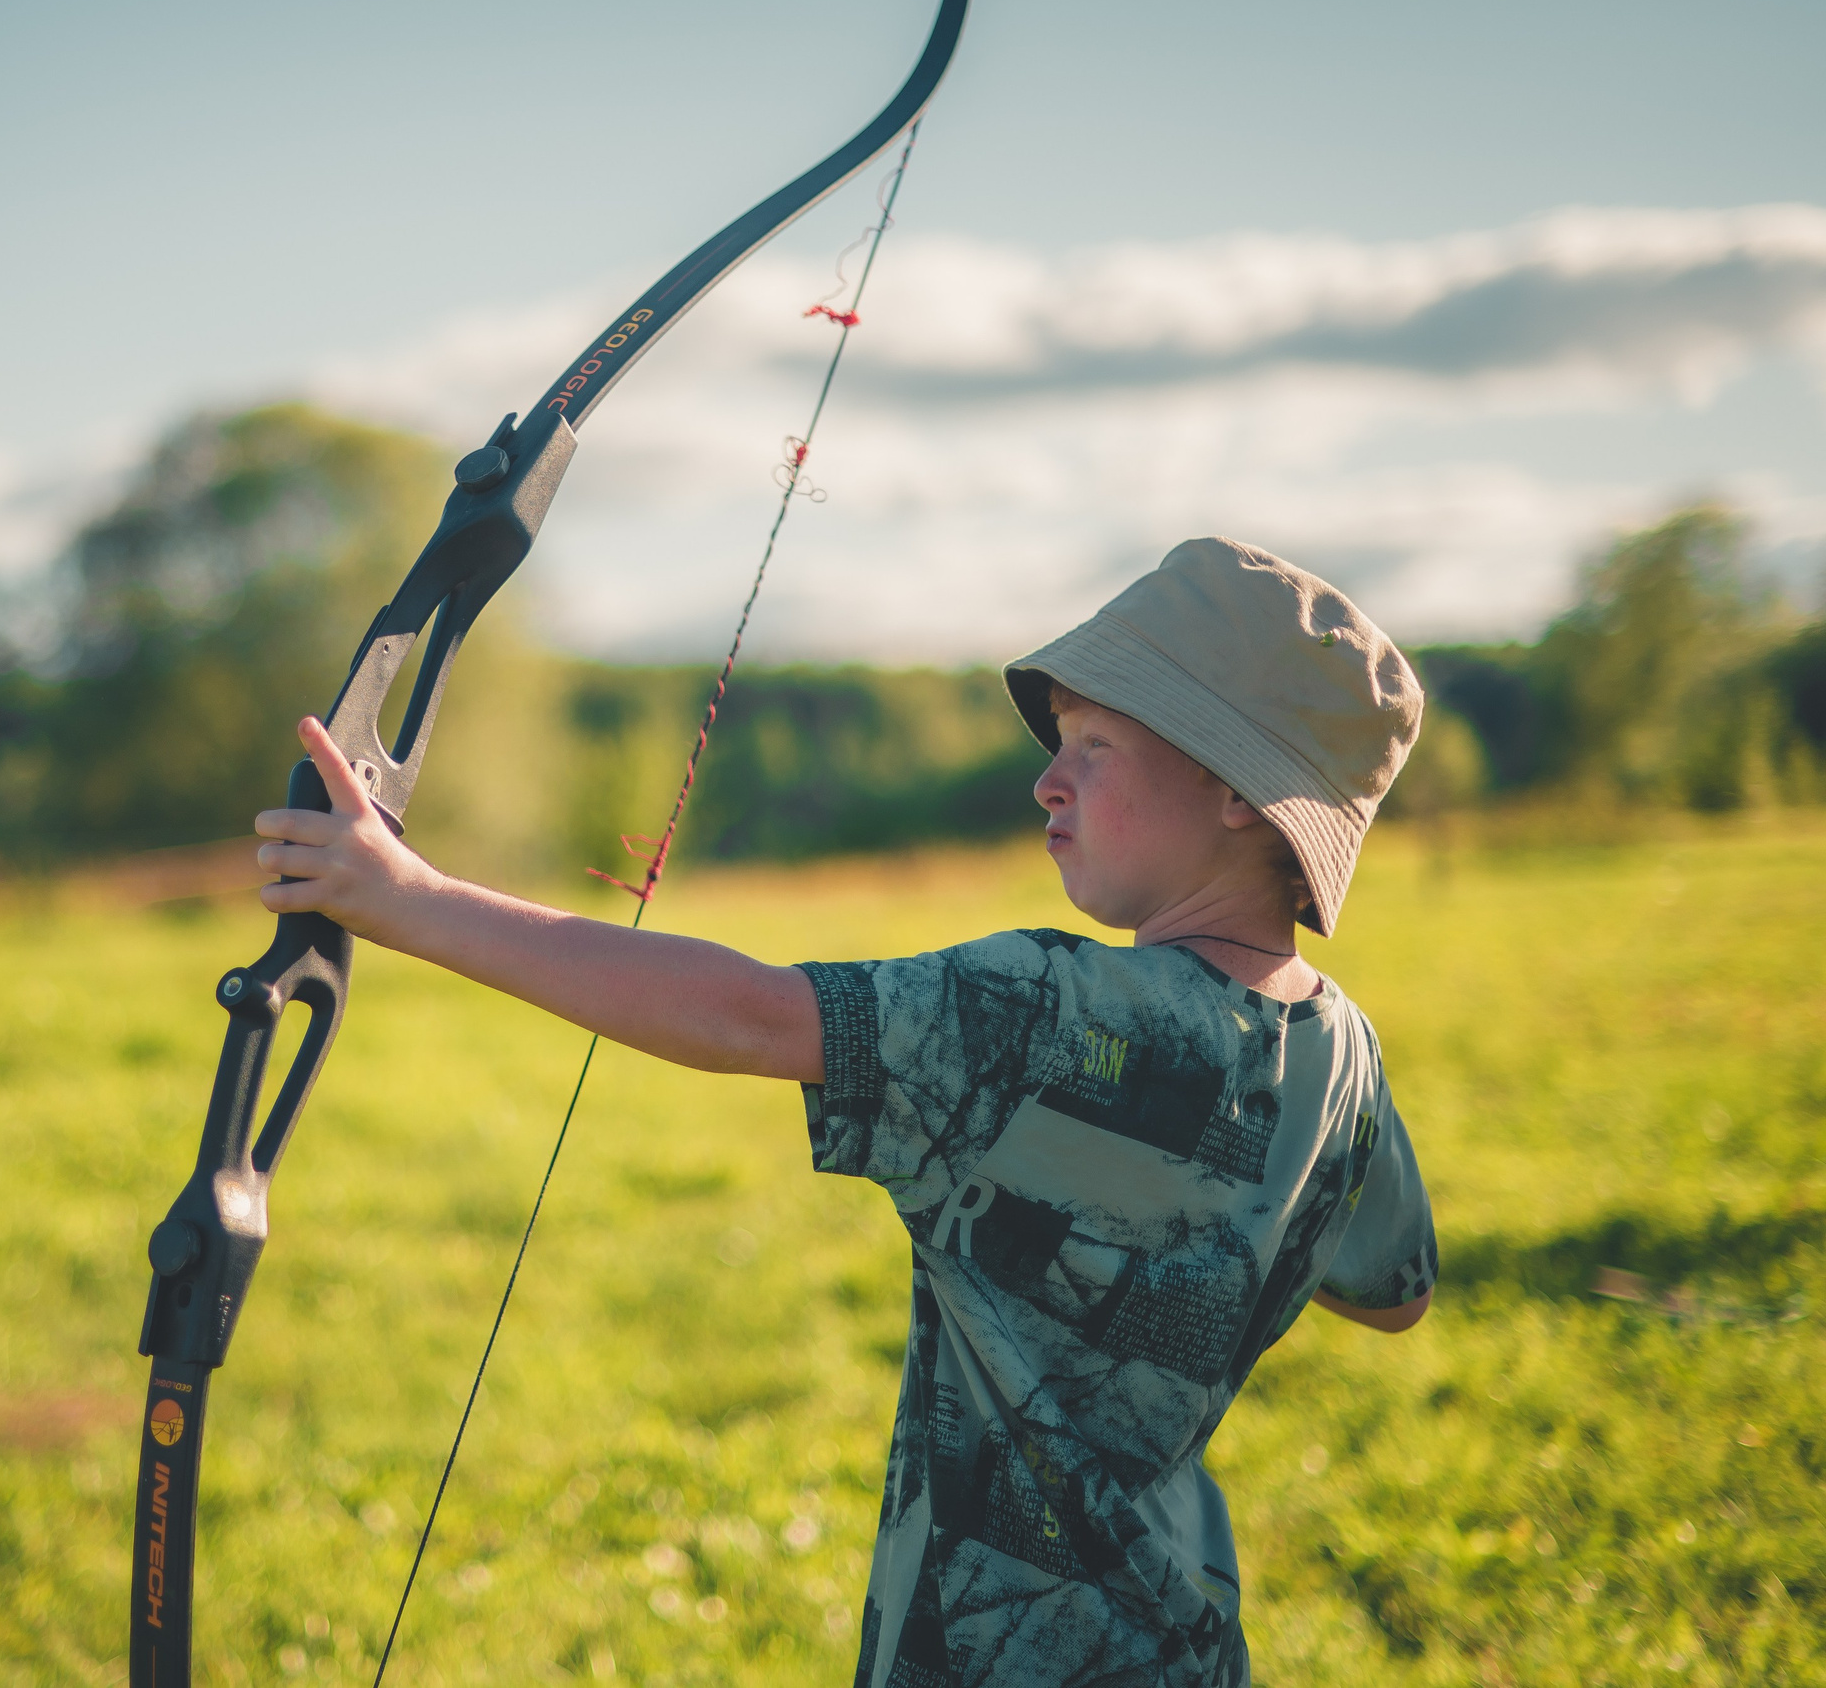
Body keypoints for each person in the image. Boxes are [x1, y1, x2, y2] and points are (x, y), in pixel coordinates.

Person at [253, 537, 1439, 1688]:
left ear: (1236, 791)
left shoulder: (1040, 1010)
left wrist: (402, 898)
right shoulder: (1343, 1051)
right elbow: (1395, 1295)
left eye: (1095, 741)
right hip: (1183, 1639)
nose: (1047, 775)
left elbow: (752, 1017)